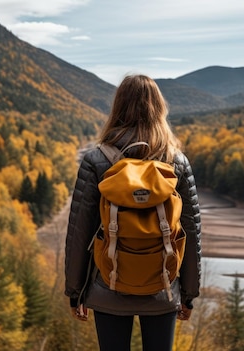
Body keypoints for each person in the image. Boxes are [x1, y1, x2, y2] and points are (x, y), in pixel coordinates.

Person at [64, 74, 202, 351]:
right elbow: (190, 232)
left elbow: (80, 231)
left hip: (108, 287)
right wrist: (188, 295)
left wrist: (75, 292)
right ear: (159, 108)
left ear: (117, 107)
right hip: (162, 288)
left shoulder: (97, 160)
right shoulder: (177, 162)